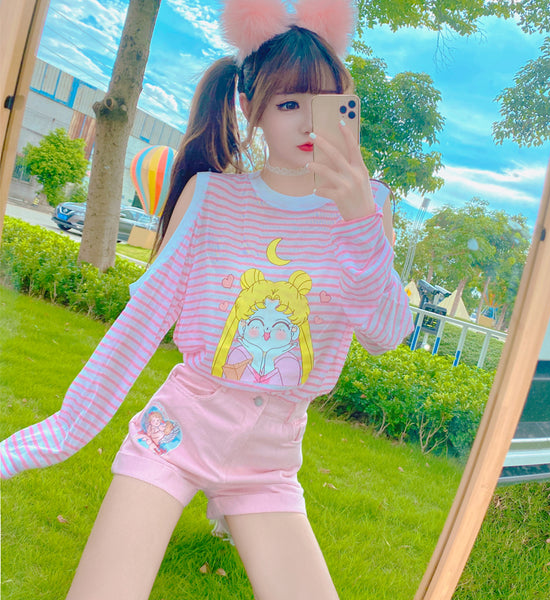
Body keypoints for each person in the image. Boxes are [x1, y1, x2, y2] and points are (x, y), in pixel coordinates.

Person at [0, 0, 413, 598]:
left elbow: (385, 333)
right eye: (288, 104)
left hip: (270, 461)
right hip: (176, 432)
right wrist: (62, 431)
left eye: (325, 103)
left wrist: (357, 218)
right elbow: (142, 321)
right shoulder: (212, 197)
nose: (308, 124)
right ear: (251, 109)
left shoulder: (370, 206)